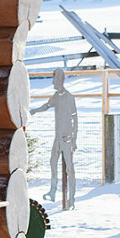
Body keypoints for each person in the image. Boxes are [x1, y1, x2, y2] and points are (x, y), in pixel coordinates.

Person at [32, 68, 78, 208]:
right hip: (57, 138)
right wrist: (35, 111)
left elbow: (75, 119)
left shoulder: (69, 97)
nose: (53, 82)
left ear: (61, 80)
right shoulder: (56, 96)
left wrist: (74, 140)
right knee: (53, 161)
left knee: (69, 168)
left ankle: (71, 199)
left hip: (67, 138)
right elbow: (47, 105)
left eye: (55, 79)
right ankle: (53, 190)